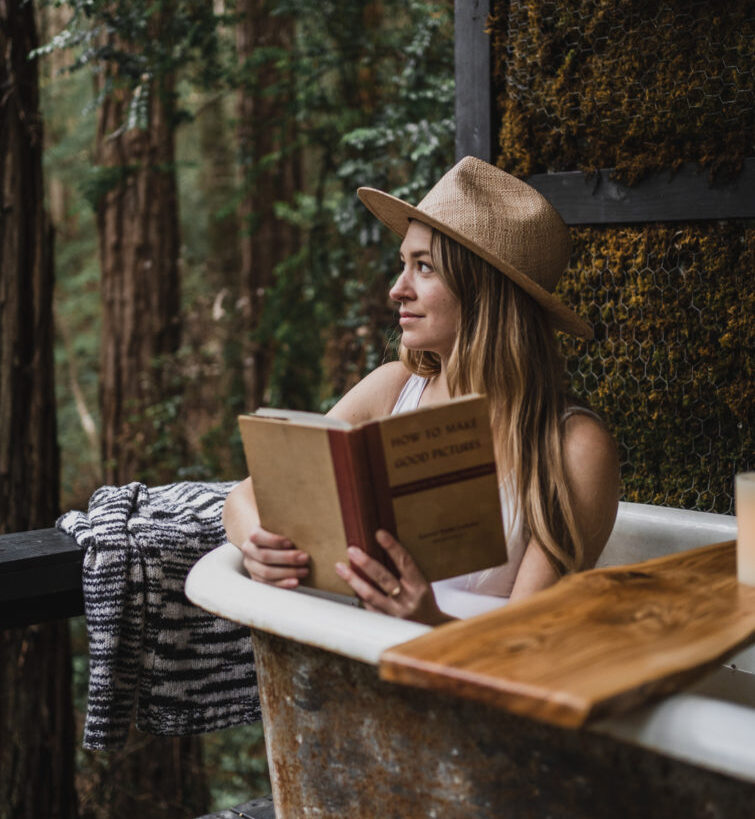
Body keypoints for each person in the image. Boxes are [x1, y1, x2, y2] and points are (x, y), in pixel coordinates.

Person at [222, 157, 620, 625]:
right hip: (338, 655)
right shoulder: (392, 389)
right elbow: (244, 497)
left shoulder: (574, 447)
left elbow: (526, 642)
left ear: (484, 293)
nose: (396, 289)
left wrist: (429, 622)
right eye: (403, 264)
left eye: (424, 267)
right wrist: (257, 544)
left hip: (455, 686)